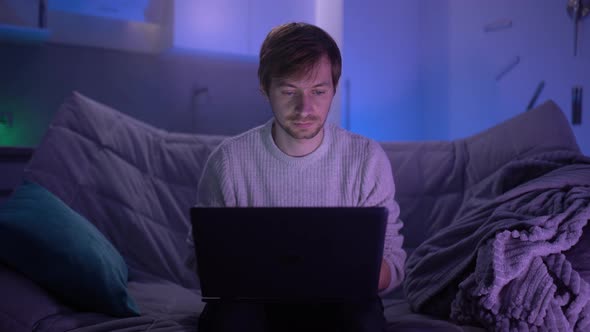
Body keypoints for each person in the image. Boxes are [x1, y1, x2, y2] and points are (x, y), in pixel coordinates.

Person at [187, 22, 406, 332]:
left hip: (341, 303)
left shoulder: (367, 160)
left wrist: (356, 271)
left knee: (363, 321)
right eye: (289, 91)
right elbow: (200, 259)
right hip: (250, 304)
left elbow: (393, 261)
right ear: (265, 88)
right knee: (228, 321)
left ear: (333, 88)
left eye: (319, 91)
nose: (305, 108)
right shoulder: (228, 162)